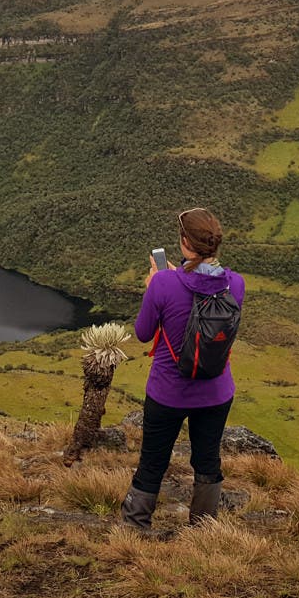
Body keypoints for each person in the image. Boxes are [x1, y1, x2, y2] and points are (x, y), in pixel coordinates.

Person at [121, 206, 245, 530]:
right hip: (216, 392)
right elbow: (203, 301)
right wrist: (179, 275)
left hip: (168, 392)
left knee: (153, 461)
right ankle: (203, 530)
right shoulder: (236, 284)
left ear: (184, 242)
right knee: (207, 461)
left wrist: (155, 285)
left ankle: (135, 528)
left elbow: (143, 333)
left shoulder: (163, 283)